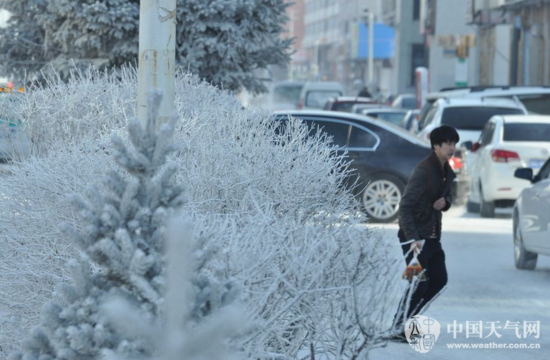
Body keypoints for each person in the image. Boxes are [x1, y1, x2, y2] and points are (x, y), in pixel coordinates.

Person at [391, 125, 459, 340]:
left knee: (439, 280)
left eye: (454, 143)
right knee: (418, 283)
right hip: (412, 239)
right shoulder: (423, 171)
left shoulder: (446, 171)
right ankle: (398, 327)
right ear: (436, 145)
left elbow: (447, 197)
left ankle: (407, 323)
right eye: (447, 143)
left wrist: (445, 203)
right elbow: (405, 206)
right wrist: (412, 238)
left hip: (432, 238)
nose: (452, 147)